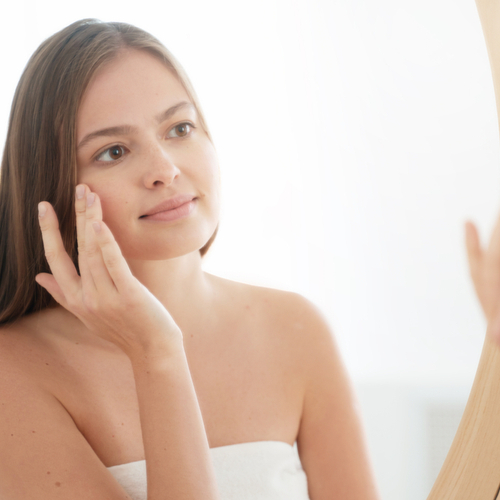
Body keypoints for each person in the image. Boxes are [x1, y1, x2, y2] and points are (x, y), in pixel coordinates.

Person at [0, 19, 380, 500]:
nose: (165, 170)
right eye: (114, 152)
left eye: (180, 127)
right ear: (50, 186)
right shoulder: (13, 368)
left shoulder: (295, 328)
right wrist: (158, 354)